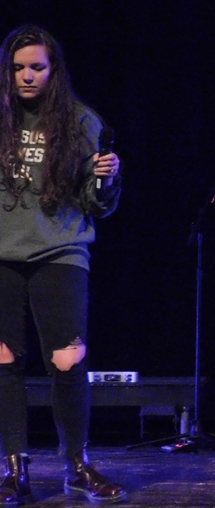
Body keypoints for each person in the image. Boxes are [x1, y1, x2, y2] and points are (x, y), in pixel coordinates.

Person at [0, 25, 126, 505]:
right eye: (18, 68)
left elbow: (95, 204)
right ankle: (14, 469)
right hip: (2, 255)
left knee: (67, 359)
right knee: (4, 360)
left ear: (54, 70)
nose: (27, 76)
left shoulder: (80, 122)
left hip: (60, 250)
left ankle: (77, 463)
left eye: (37, 67)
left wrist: (107, 179)